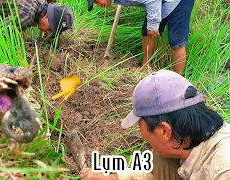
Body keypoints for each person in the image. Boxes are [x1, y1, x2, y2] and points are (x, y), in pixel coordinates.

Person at [80, 69, 230, 179]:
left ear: (164, 131)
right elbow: (150, 170)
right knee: (161, 160)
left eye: (140, 124)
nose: (140, 131)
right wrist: (114, 176)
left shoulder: (223, 169)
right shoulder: (184, 142)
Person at [87, 0, 194, 75]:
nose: (97, 4)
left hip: (179, 2)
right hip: (159, 2)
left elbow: (152, 1)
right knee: (147, 32)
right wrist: (152, 26)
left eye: (96, 1)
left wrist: (153, 25)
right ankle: (145, 68)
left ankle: (177, 80)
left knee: (176, 41)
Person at [0, 0, 74, 36]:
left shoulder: (41, 2)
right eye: (51, 28)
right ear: (47, 16)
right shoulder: (26, 17)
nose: (49, 32)